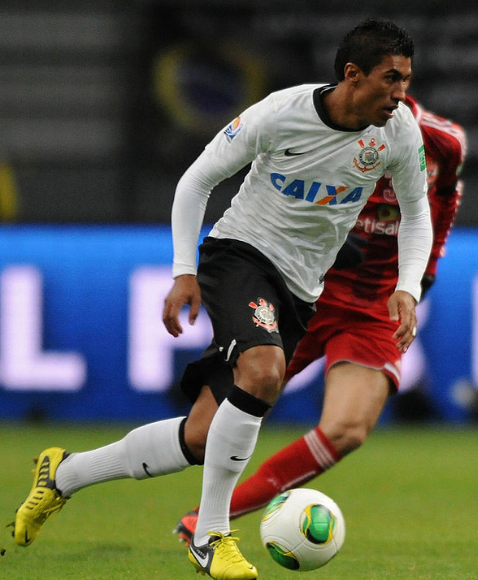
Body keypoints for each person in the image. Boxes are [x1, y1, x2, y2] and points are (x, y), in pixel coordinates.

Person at [12, 18, 431, 580]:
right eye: (391, 79)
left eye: (406, 79)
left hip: (301, 289)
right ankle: (211, 537)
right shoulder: (281, 114)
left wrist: (407, 284)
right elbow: (196, 181)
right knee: (264, 371)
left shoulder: (399, 131)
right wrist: (185, 270)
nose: (401, 93)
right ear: (353, 75)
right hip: (241, 256)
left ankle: (62, 475)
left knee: (201, 434)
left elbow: (416, 213)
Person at [171, 94, 465, 539]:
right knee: (203, 430)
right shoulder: (318, 123)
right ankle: (80, 471)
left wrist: (420, 279)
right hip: (302, 292)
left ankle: (213, 518)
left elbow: (436, 212)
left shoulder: (442, 142)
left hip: (373, 306)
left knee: (346, 429)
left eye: (398, 78)